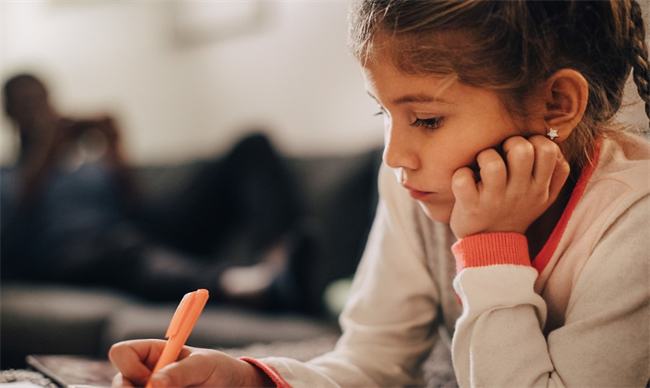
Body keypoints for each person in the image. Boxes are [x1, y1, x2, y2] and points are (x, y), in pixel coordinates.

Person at [108, 1, 650, 387]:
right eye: (385, 113)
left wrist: (491, 249)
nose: (395, 157)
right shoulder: (417, 189)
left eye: (428, 119)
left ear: (557, 104)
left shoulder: (633, 222)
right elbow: (375, 362)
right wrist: (248, 379)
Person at [1, 73, 305, 306]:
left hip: (138, 234)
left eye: (43, 100)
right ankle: (250, 285)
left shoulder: (86, 168)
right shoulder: (11, 177)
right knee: (124, 247)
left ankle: (278, 259)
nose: (41, 111)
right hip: (72, 257)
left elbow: (136, 208)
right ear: (11, 114)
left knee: (252, 145)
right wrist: (44, 156)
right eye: (28, 103)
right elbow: (13, 245)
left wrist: (115, 151)